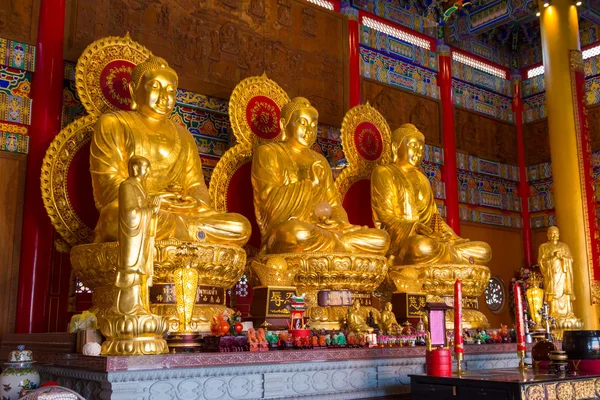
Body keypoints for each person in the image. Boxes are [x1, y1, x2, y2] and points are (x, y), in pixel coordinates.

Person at [90, 56, 250, 246]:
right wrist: (154, 200)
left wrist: (191, 201)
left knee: (241, 227)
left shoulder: (184, 135)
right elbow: (107, 187)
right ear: (134, 90)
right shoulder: (113, 123)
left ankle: (185, 232)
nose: (164, 96)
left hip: (180, 213)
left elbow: (196, 186)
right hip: (142, 212)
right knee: (116, 217)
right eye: (155, 87)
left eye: (171, 90)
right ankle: (191, 235)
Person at [251, 97, 389, 255]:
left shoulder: (320, 160)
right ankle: (342, 249)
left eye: (314, 125)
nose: (309, 130)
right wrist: (311, 185)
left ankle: (338, 245)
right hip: (291, 231)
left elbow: (334, 204)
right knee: (295, 233)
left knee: (381, 239)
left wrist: (338, 222)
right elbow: (269, 205)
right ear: (283, 124)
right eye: (302, 123)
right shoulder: (269, 153)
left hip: (324, 231)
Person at [371, 123, 491, 265]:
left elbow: (435, 219)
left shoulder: (423, 179)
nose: (419, 152)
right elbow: (385, 218)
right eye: (414, 146)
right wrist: (415, 227)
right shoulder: (384, 173)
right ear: (395, 147)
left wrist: (452, 237)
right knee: (421, 247)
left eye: (422, 148)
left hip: (432, 240)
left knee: (484, 250)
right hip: (404, 242)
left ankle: (449, 257)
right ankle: (456, 260)